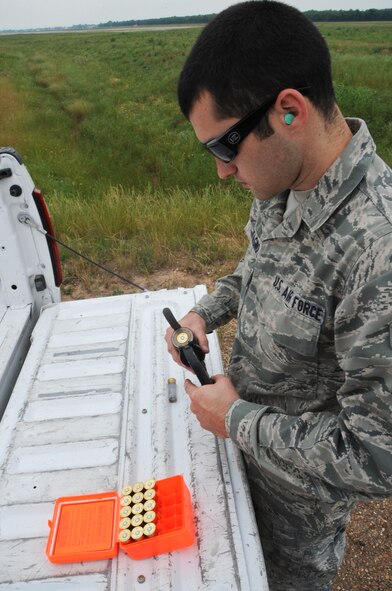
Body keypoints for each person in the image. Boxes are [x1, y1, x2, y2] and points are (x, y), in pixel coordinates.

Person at [165, 2, 392, 590]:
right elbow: (256, 268)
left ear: (288, 111)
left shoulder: (378, 253)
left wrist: (238, 420)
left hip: (298, 515)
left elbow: (376, 453)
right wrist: (206, 312)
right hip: (241, 453)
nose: (222, 172)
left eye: (224, 148)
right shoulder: (280, 178)